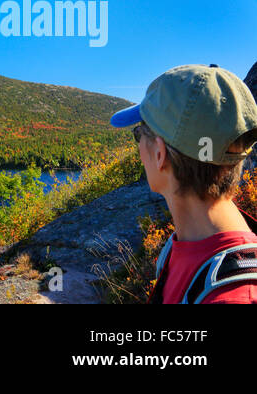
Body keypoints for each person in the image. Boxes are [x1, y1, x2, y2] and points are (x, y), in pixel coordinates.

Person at [110, 64, 257, 304]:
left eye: (139, 134)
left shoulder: (233, 297)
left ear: (159, 154)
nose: (138, 147)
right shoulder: (186, 244)